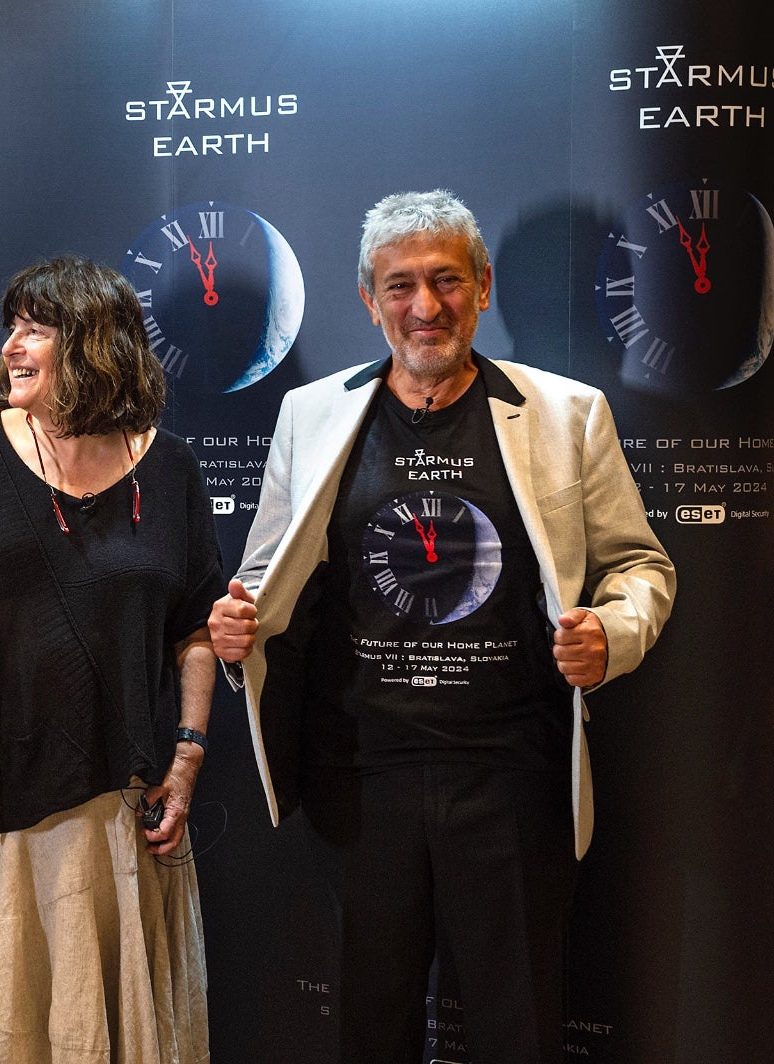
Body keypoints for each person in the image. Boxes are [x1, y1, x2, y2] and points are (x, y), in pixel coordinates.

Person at [208, 189, 676, 1063]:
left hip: (512, 776)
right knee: (369, 1027)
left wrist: (611, 637)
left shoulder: (569, 416)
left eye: (447, 281)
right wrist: (237, 631)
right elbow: (260, 582)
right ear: (366, 297)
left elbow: (642, 567)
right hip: (360, 777)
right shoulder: (310, 416)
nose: (425, 307)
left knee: (516, 1027)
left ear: (484, 287)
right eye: (400, 286)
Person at [0, 255, 221, 1062]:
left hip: (119, 806)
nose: (12, 346)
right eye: (12, 328)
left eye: (36, 329)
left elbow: (198, 629)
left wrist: (188, 758)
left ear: (95, 346)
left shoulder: (169, 466)